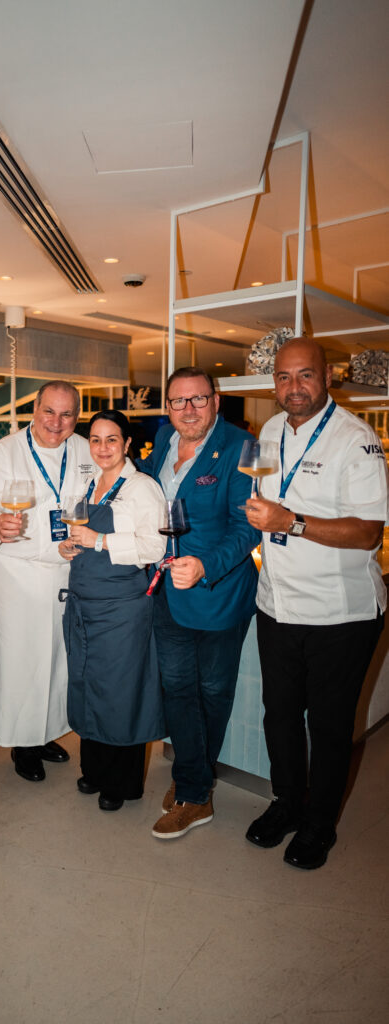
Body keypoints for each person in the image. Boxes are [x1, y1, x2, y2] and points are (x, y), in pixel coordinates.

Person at [244, 337, 387, 869]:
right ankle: (287, 803)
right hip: (277, 604)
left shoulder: (356, 439)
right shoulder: (270, 431)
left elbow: (368, 532)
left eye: (305, 375)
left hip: (338, 614)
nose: (294, 387)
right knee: (279, 716)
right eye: (284, 377)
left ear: (327, 377)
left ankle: (319, 824)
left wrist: (292, 522)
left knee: (328, 726)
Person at [139, 367, 259, 839]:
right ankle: (194, 777)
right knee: (176, 689)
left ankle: (194, 792)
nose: (188, 409)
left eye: (198, 399)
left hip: (218, 593)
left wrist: (205, 566)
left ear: (216, 400)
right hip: (165, 591)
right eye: (178, 401)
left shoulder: (241, 445)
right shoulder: (163, 441)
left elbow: (247, 527)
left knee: (211, 691)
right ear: (167, 406)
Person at [0, 381, 95, 782]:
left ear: (77, 417)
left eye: (67, 414)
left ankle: (45, 733)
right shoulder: (6, 451)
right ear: (34, 410)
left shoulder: (85, 449)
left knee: (58, 660)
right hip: (16, 574)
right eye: (49, 411)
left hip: (66, 570)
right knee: (21, 662)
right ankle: (23, 744)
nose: (57, 422)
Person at [58, 410, 166, 810]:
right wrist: (69, 545)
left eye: (111, 439)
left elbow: (154, 548)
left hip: (122, 609)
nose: (103, 448)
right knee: (87, 686)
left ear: (127, 443)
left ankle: (121, 783)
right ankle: (95, 770)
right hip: (84, 604)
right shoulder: (88, 484)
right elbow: (81, 536)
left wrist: (99, 540)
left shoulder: (142, 488)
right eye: (96, 439)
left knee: (120, 693)